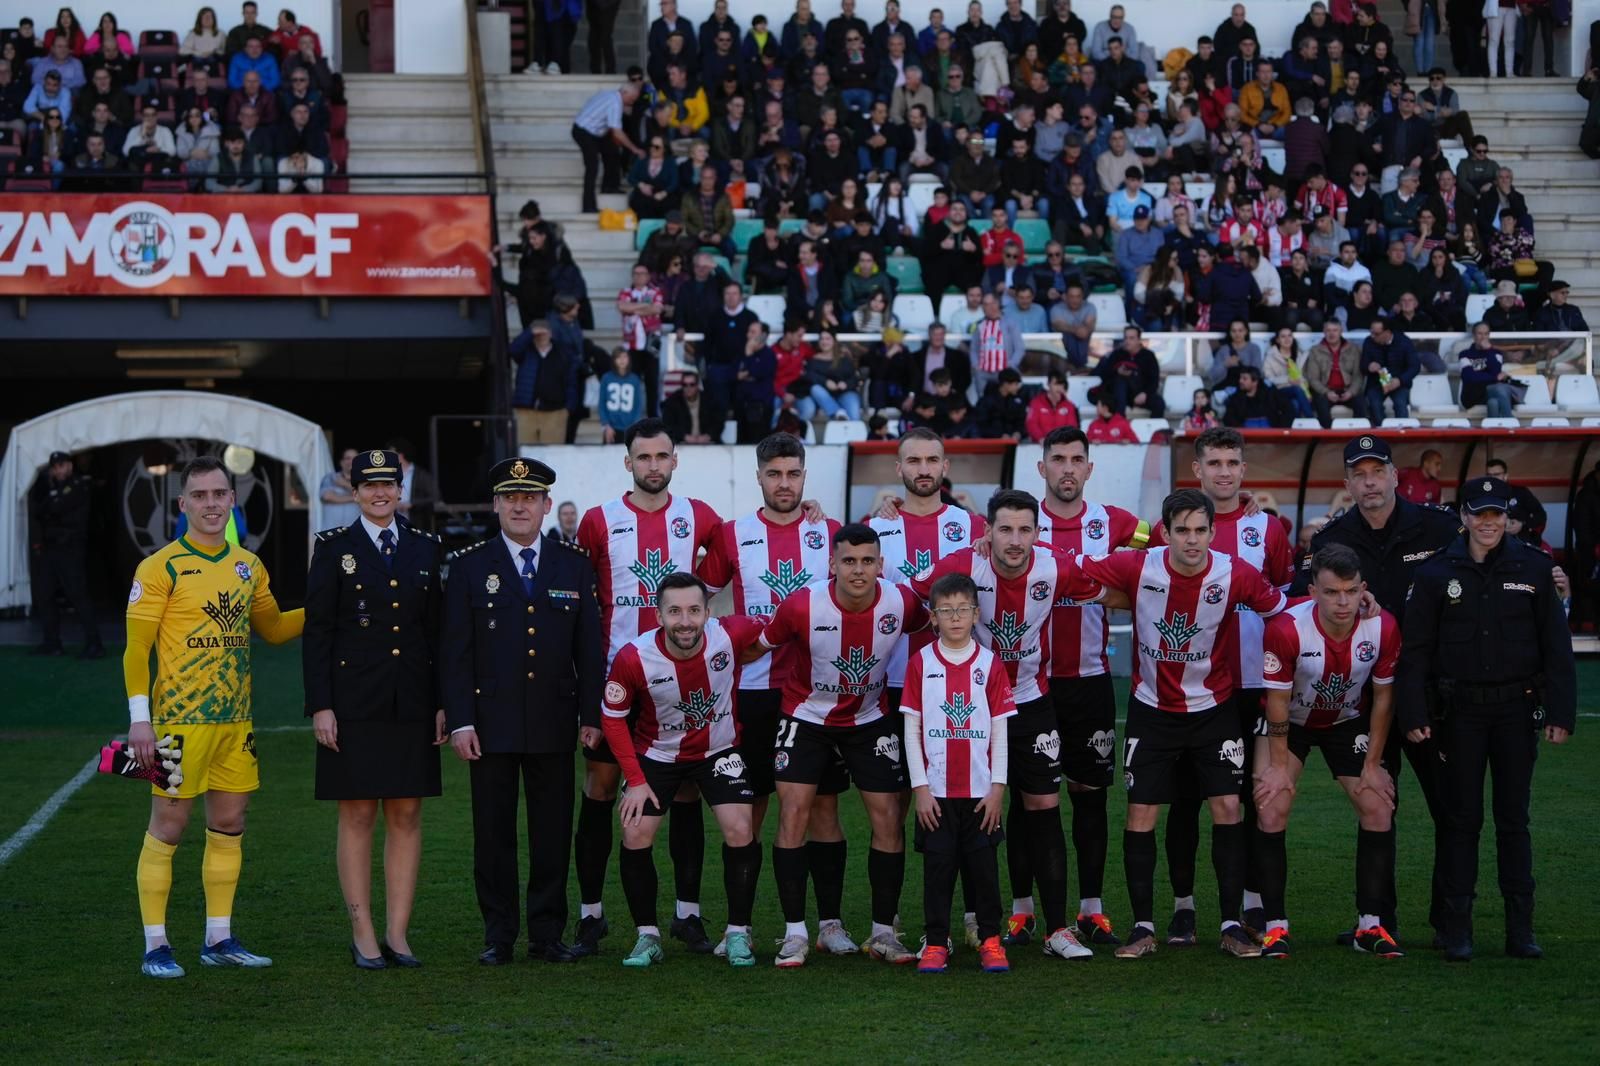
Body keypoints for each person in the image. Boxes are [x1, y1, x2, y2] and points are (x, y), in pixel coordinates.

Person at [1071, 489, 1289, 959]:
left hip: (1215, 709)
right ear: (1164, 533)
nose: (1192, 540)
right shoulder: (1136, 566)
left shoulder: (1235, 573)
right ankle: (1143, 928)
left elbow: (1282, 613)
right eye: (1182, 530)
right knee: (1141, 815)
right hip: (1152, 711)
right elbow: (1072, 572)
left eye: (1201, 530)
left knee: (1228, 809)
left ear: (1213, 532)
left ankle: (1231, 925)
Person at [912, 488, 1115, 960]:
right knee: (963, 812)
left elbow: (1114, 584)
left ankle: (1058, 929)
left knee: (1044, 805)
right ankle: (953, 930)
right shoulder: (962, 564)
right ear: (987, 532)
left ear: (1038, 533)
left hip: (1031, 701)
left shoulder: (1056, 566)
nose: (1015, 540)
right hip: (972, 711)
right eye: (1005, 529)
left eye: (1025, 529)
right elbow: (913, 593)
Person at [123, 456, 304, 978]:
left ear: (231, 501)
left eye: (218, 494)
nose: (210, 504)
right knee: (169, 826)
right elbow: (136, 650)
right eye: (199, 496)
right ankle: (156, 946)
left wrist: (326, 605)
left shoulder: (249, 565)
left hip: (235, 724)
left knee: (229, 824)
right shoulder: (160, 567)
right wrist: (141, 721)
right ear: (183, 505)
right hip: (178, 725)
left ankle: (218, 939)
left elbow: (271, 628)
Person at [1294, 433, 1466, 946]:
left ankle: (1450, 921)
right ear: (1347, 483)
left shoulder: (1440, 526)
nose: (1369, 482)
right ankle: (1377, 921)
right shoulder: (1330, 539)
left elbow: (1481, 568)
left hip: (1435, 693)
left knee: (1450, 810)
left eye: (1378, 471)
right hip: (1368, 699)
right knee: (1377, 802)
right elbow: (1297, 597)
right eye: (1359, 474)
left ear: (1395, 475)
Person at [1397, 477, 1575, 961]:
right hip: (1460, 714)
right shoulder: (1436, 574)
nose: (1489, 523)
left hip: (1517, 711)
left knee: (1513, 819)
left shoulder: (1535, 568)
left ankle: (1521, 930)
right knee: (1461, 820)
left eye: (1497, 514)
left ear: (1506, 518)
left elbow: (1556, 648)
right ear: (1464, 517)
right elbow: (1415, 652)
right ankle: (1457, 930)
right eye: (1480, 514)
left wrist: (1561, 712)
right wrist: (1413, 711)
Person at [442, 457, 602, 966]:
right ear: (495, 505)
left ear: (546, 505)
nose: (519, 505)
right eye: (510, 497)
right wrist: (461, 719)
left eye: (529, 497)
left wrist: (591, 716)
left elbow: (589, 649)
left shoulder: (573, 564)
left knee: (552, 832)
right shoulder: (469, 565)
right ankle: (499, 934)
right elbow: (456, 653)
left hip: (554, 720)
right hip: (489, 724)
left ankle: (547, 933)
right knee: (493, 834)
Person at [695, 433, 850, 953]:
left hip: (818, 695)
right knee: (749, 813)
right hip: (754, 696)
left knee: (823, 811)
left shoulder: (828, 532)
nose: (784, 484)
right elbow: (697, 601)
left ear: (805, 477)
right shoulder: (732, 534)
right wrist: (735, 637)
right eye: (774, 474)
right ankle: (737, 928)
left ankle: (829, 926)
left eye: (793, 474)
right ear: (759, 477)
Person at [573, 421, 724, 956]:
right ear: (628, 462)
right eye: (644, 457)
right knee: (600, 790)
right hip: (616, 678)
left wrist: (814, 514)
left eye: (663, 456)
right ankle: (591, 914)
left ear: (675, 461)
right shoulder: (598, 521)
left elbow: (735, 557)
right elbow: (580, 596)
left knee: (683, 790)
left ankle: (688, 914)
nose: (653, 465)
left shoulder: (699, 517)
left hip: (678, 681)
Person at [756, 524, 930, 967]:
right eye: (848, 561)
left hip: (869, 718)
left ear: (880, 565)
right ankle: (802, 932)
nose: (858, 570)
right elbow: (759, 644)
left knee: (889, 816)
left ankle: (884, 933)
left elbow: (935, 625)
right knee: (796, 813)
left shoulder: (901, 601)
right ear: (832, 564)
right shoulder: (801, 605)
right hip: (806, 717)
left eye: (867, 561)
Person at [1146, 427, 1295, 943]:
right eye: (1215, 463)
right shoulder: (1171, 526)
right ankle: (1183, 906)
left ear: (1243, 470)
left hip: (1253, 681)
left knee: (1251, 797)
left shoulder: (1267, 529)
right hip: (1191, 684)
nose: (1225, 472)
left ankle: (1250, 902)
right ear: (1198, 470)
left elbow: (1285, 601)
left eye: (1233, 463)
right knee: (1186, 799)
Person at [303, 450, 444, 969]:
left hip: (412, 700)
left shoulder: (426, 547)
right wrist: (321, 705)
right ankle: (362, 930)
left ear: (400, 490)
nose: (381, 493)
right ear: (355, 490)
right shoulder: (332, 548)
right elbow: (317, 632)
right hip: (353, 703)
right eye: (370, 485)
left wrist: (443, 704)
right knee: (358, 813)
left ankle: (398, 933)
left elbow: (437, 634)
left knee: (406, 812)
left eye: (389, 484)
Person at [600, 573, 763, 968]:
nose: (685, 621)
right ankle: (647, 937)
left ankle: (738, 933)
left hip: (718, 750)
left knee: (742, 828)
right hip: (657, 754)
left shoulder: (731, 634)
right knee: (635, 830)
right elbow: (612, 718)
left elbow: (782, 629)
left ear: (709, 612)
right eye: (674, 611)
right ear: (658, 615)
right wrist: (636, 781)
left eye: (694, 610)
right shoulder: (632, 657)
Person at [1255, 544, 1404, 958]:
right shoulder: (1286, 628)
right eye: (1332, 592)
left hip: (1346, 721)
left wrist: (1373, 764)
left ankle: (1370, 928)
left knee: (1378, 806)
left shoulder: (1383, 627)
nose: (1343, 602)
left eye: (1351, 592)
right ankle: (1274, 927)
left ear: (1363, 590)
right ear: (1313, 591)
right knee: (1271, 804)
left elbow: (1384, 701)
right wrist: (1279, 767)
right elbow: (1278, 705)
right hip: (1292, 724)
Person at [905, 569, 1014, 973]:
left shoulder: (989, 664)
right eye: (945, 610)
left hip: (981, 794)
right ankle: (936, 941)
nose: (954, 617)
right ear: (932, 617)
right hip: (936, 794)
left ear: (975, 614)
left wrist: (997, 788)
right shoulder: (921, 663)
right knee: (937, 870)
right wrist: (920, 788)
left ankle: (989, 939)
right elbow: (911, 727)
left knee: (984, 871)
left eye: (962, 609)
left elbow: (1000, 728)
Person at [28, 449, 102, 658]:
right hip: (51, 549)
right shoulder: (51, 487)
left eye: (61, 466)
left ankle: (94, 643)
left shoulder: (78, 486)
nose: (58, 470)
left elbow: (57, 510)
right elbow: (39, 510)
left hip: (70, 549)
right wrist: (50, 508)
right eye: (54, 467)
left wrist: (50, 509)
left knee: (78, 595)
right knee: (45, 594)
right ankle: (52, 643)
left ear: (69, 465)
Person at [572, 81, 645, 214]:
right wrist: (635, 149)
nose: (632, 102)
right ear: (624, 93)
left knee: (612, 151)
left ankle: (609, 186)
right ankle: (588, 206)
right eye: (631, 99)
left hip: (597, 131)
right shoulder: (615, 103)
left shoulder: (610, 94)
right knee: (592, 166)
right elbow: (617, 132)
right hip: (583, 131)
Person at [1459, 322, 1516, 417]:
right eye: (1480, 333)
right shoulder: (1465, 354)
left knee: (1493, 402)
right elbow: (1469, 377)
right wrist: (1494, 378)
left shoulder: (1496, 353)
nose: (1483, 337)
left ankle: (1495, 428)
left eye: (1486, 334)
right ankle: (1510, 425)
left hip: (1491, 393)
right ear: (1474, 335)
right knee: (1499, 389)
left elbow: (1496, 371)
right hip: (1471, 395)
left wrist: (1488, 350)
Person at [1484, 457, 1547, 538]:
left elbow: (1541, 515)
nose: (1492, 478)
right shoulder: (1481, 495)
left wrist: (1522, 524)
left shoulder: (1520, 492)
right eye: (1489, 475)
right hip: (1491, 541)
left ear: (1505, 476)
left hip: (1519, 540)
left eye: (1496, 475)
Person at [661, 370, 726, 445]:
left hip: (708, 444)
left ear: (697, 385)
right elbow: (668, 425)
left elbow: (719, 421)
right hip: (681, 445)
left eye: (692, 384)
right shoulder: (672, 402)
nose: (688, 388)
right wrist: (684, 437)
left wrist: (708, 436)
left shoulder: (709, 400)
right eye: (685, 384)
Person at [599, 348, 646, 445]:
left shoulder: (635, 380)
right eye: (618, 357)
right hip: (611, 428)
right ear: (613, 360)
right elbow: (602, 403)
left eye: (624, 357)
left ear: (629, 359)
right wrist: (606, 425)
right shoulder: (606, 378)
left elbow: (638, 405)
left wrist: (634, 427)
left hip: (630, 427)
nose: (622, 360)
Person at [317, 448, 360, 528]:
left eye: (355, 458)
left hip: (354, 533)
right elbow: (327, 497)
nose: (351, 461)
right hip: (331, 533)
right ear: (342, 462)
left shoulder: (363, 480)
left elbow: (365, 496)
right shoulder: (331, 478)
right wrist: (356, 498)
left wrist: (345, 484)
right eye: (348, 458)